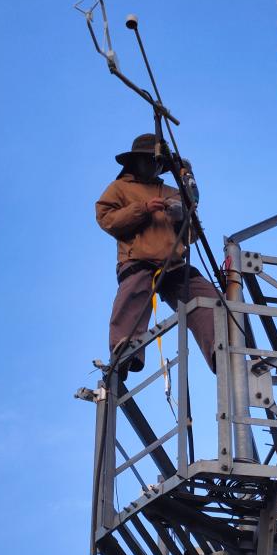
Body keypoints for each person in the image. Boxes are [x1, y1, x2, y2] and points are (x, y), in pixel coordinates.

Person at [96, 133, 218, 376]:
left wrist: (182, 217)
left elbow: (192, 235)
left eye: (159, 162)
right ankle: (125, 351)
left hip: (173, 262)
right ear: (136, 161)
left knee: (208, 299)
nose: (155, 166)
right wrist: (143, 209)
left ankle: (221, 347)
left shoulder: (172, 191)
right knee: (132, 296)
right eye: (151, 160)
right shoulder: (120, 188)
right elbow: (106, 218)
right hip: (139, 259)